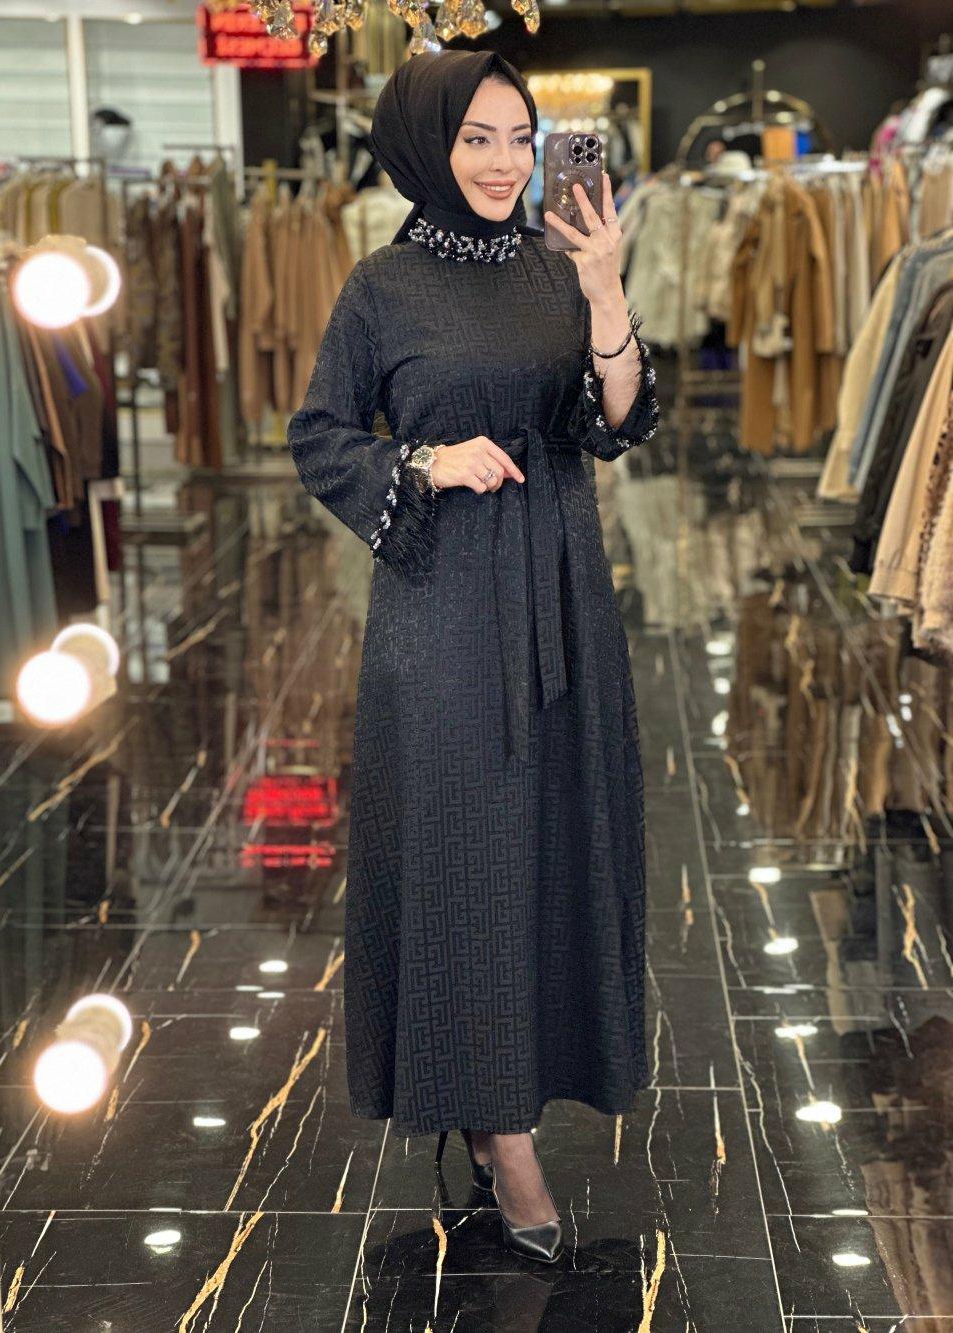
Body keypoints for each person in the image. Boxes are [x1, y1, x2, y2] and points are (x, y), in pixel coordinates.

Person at [287, 49, 659, 1264]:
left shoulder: (559, 267)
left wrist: (605, 295)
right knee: (464, 849)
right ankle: (502, 1131)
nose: (503, 163)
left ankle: (522, 1083)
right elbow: (318, 434)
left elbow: (615, 424)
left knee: (554, 838)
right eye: (476, 139)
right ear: (425, 147)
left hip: (563, 590)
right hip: (441, 605)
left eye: (519, 137)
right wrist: (423, 463)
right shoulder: (381, 286)